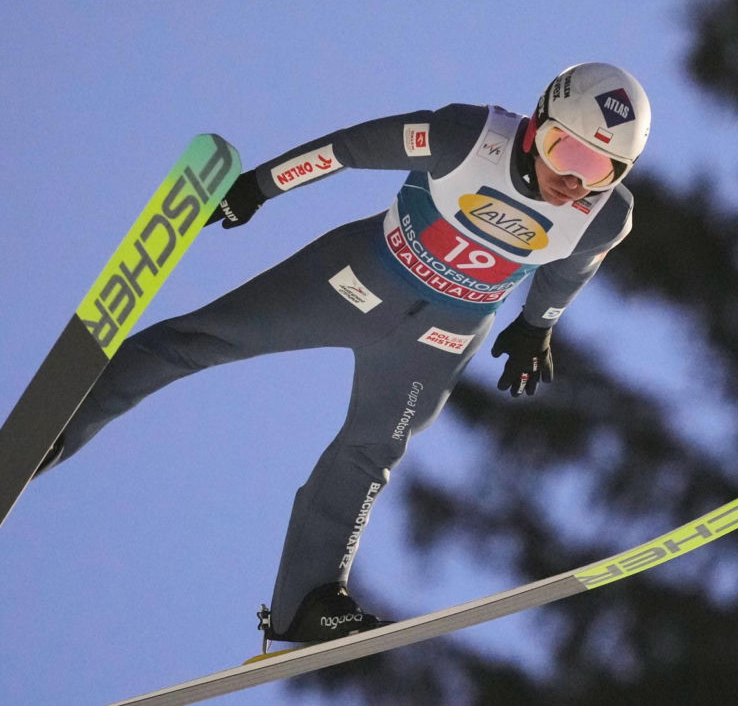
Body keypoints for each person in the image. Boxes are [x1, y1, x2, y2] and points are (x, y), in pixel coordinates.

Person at [38, 62, 651, 647]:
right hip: (353, 280)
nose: (575, 181)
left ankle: (307, 604)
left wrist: (536, 328)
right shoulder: (467, 136)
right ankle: (52, 432)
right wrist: (258, 187)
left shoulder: (605, 216)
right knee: (199, 341)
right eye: (566, 153)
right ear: (536, 125)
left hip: (439, 338)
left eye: (601, 169)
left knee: (371, 451)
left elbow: (570, 271)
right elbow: (350, 148)